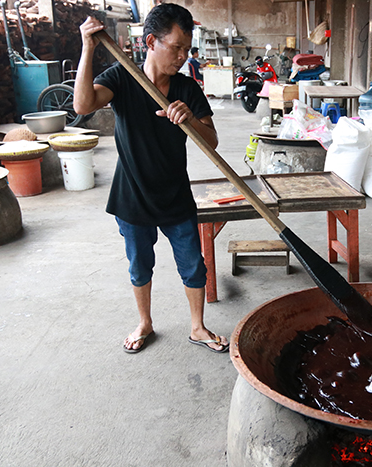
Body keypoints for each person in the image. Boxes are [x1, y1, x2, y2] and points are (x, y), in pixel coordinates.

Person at [74, 4, 229, 354]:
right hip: (132, 197)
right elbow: (82, 106)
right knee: (139, 265)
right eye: (176, 47)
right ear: (151, 42)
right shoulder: (120, 77)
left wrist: (190, 120)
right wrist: (88, 47)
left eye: (187, 49)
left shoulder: (187, 89)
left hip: (175, 196)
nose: (182, 56)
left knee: (193, 265)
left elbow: (213, 141)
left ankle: (198, 327)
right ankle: (145, 323)